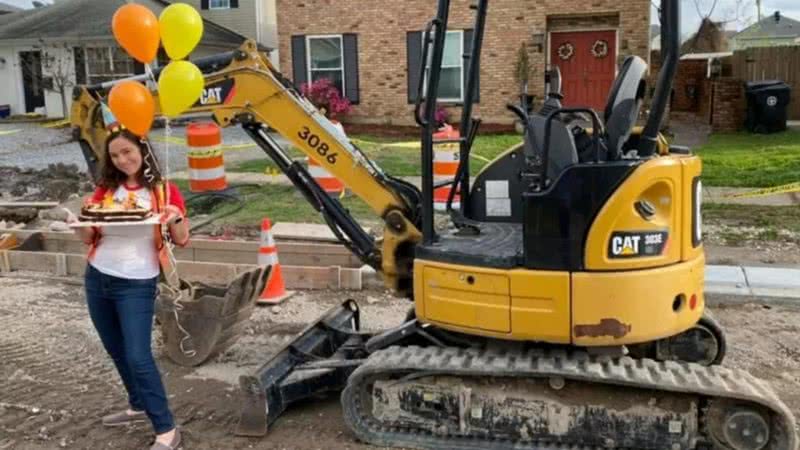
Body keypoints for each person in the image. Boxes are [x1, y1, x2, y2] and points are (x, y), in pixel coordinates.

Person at [71, 121, 189, 450]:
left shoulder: (164, 191)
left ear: (142, 151)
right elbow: (90, 234)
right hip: (98, 276)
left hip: (137, 281)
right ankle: (137, 405)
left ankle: (166, 429)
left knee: (138, 356)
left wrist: (174, 216)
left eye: (127, 152)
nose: (123, 160)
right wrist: (79, 225)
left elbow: (181, 239)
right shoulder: (106, 190)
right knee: (116, 349)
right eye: (115, 155)